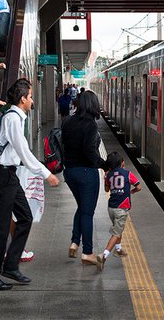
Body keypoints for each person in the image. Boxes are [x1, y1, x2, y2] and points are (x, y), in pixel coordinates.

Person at [0, 78, 60, 291]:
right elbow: (23, 151)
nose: (32, 99)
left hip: (8, 175)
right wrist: (46, 174)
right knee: (0, 226)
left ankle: (11, 266)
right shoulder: (13, 119)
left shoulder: (16, 117)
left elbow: (18, 151)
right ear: (23, 98)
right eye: (31, 96)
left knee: (25, 217)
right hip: (4, 175)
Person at [61, 89, 106, 266]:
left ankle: (74, 242)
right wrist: (104, 164)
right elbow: (89, 151)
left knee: (82, 207)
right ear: (93, 105)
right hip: (86, 173)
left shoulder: (68, 121)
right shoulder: (90, 125)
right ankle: (87, 253)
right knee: (87, 212)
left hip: (69, 172)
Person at [97, 151, 141, 271]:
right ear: (122, 163)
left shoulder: (109, 175)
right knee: (116, 233)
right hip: (122, 208)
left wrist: (107, 176)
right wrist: (131, 192)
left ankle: (118, 249)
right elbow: (139, 186)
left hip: (111, 207)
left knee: (117, 227)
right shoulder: (128, 174)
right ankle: (104, 255)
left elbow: (106, 190)